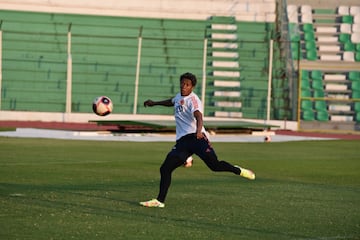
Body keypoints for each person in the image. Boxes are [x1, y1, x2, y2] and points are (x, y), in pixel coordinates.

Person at [140, 72, 255, 208]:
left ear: (192, 87)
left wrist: (199, 131)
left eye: (187, 85)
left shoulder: (194, 100)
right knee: (165, 168)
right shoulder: (178, 97)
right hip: (183, 142)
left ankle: (238, 170)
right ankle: (160, 201)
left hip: (197, 138)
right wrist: (154, 103)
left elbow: (199, 116)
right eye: (182, 83)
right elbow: (171, 101)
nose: (184, 86)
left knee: (215, 166)